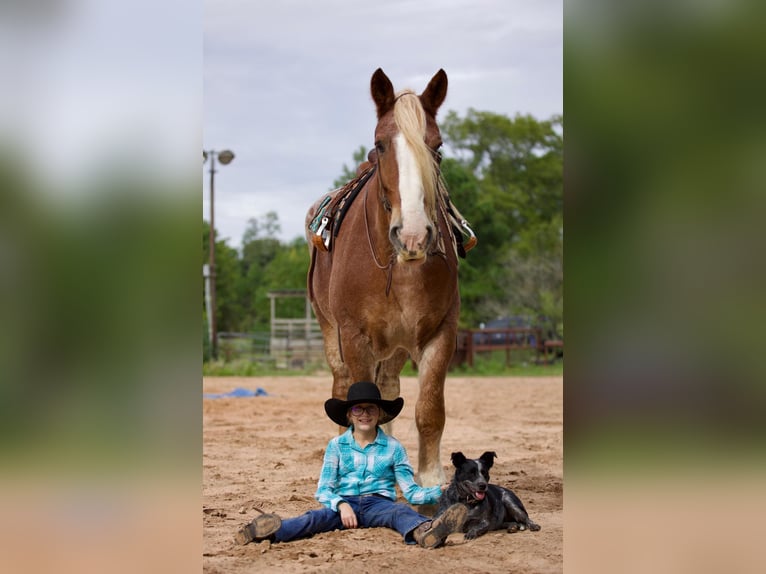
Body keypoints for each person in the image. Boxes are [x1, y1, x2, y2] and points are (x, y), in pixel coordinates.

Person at [234, 381, 468, 549]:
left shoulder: (394, 448)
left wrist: (443, 491)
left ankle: (428, 532)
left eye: (371, 409)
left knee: (401, 511)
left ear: (380, 414)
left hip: (380, 505)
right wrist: (341, 504)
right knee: (312, 519)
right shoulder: (336, 446)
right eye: (358, 409)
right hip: (343, 505)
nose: (364, 414)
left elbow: (411, 492)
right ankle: (265, 532)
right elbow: (323, 489)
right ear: (349, 415)